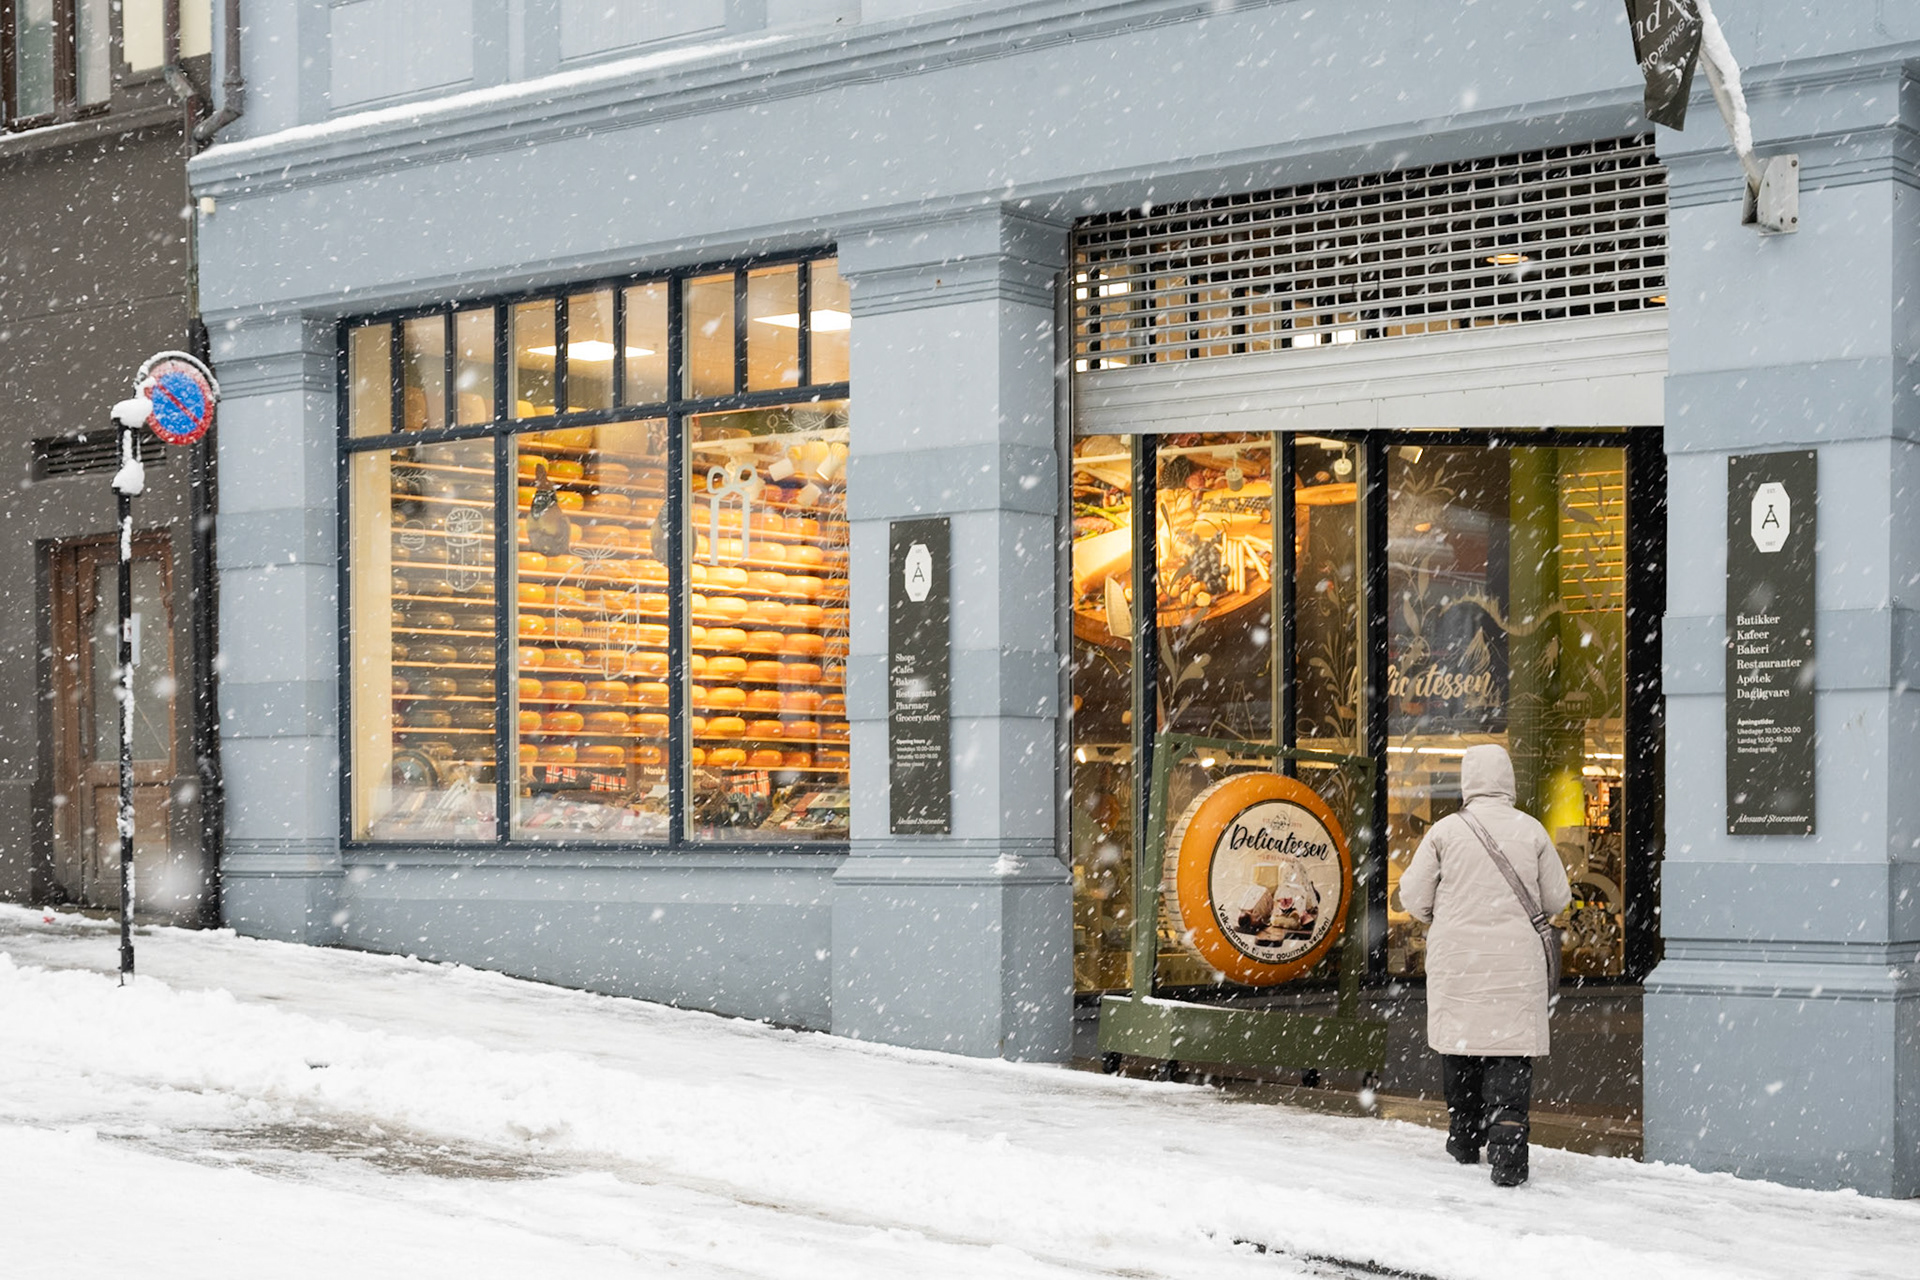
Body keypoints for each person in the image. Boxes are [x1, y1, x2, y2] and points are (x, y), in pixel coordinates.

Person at [1398, 743, 1571, 1187]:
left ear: (1469, 782)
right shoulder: (1531, 830)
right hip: (1517, 964)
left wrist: (1449, 913)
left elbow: (1413, 900)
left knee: (1461, 1048)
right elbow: (1556, 899)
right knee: (1509, 1053)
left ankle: (1463, 1139)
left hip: (1458, 961)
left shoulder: (1444, 832)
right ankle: (1509, 1148)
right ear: (1508, 780)